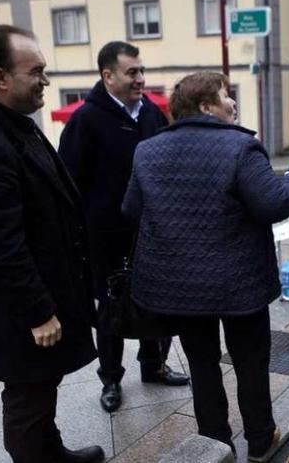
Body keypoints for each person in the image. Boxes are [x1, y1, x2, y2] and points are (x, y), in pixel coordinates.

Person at [121, 71, 289, 461]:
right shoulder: (240, 146)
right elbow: (274, 203)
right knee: (250, 362)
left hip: (182, 287)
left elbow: (131, 210)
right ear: (206, 106)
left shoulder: (147, 150)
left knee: (202, 365)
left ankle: (215, 444)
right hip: (240, 284)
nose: (233, 103)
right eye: (227, 96)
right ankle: (259, 438)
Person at [0, 25, 104, 463]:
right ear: (0, 78)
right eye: (36, 71)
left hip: (40, 291)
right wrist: (38, 313)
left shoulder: (12, 124)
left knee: (42, 385)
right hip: (17, 309)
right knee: (27, 399)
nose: (45, 81)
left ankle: (52, 453)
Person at [58, 41, 189, 414]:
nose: (141, 79)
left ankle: (154, 366)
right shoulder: (85, 120)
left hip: (150, 232)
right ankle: (111, 379)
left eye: (141, 71)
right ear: (108, 75)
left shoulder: (150, 112)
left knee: (156, 300)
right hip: (105, 237)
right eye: (132, 72)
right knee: (111, 312)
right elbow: (69, 184)